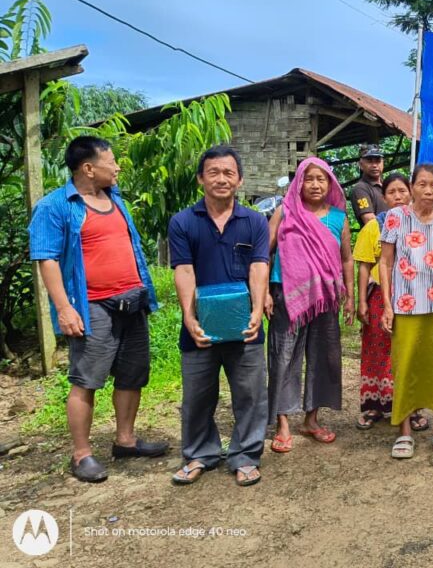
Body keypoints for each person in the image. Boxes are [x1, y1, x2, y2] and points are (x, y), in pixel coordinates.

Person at [28, 136, 167, 483]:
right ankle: (81, 454)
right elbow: (46, 260)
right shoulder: (56, 205)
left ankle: (125, 441)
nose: (117, 166)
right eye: (112, 161)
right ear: (89, 168)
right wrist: (64, 308)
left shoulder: (115, 199)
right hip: (93, 307)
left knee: (133, 374)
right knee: (86, 380)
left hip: (132, 301)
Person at [168, 146, 270, 487]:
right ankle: (199, 453)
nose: (221, 179)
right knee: (197, 394)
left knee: (250, 395)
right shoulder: (183, 222)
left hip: (245, 325)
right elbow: (183, 270)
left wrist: (257, 310)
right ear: (201, 178)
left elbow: (259, 267)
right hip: (201, 328)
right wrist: (189, 317)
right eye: (213, 172)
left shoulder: (255, 221)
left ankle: (245, 456)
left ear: (239, 180)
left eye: (228, 172)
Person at [265, 157, 354, 453]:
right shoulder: (285, 212)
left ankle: (312, 419)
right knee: (283, 356)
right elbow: (265, 253)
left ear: (330, 183)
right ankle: (283, 424)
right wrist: (263, 293)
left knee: (323, 356)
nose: (315, 184)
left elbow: (346, 258)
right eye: (309, 178)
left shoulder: (339, 218)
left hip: (326, 298)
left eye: (322, 178)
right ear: (298, 183)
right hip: (286, 295)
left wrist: (350, 295)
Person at [379, 163, 433, 458]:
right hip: (405, 307)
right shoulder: (395, 218)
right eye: (422, 184)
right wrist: (387, 305)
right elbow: (386, 263)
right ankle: (404, 432)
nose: (428, 190)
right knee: (405, 366)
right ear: (412, 186)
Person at [352, 173, 413, 429]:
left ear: (411, 192)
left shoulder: (419, 224)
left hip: (412, 296)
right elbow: (364, 267)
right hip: (379, 296)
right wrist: (362, 302)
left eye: (402, 190)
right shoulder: (374, 227)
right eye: (392, 192)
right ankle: (375, 406)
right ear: (383, 197)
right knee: (377, 350)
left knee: (409, 351)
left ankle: (412, 407)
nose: (398, 196)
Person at [350, 144, 388, 225]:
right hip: (376, 237)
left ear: (383, 163)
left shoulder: (388, 186)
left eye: (378, 161)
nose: (374, 165)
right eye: (369, 161)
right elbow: (370, 220)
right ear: (361, 165)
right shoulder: (360, 189)